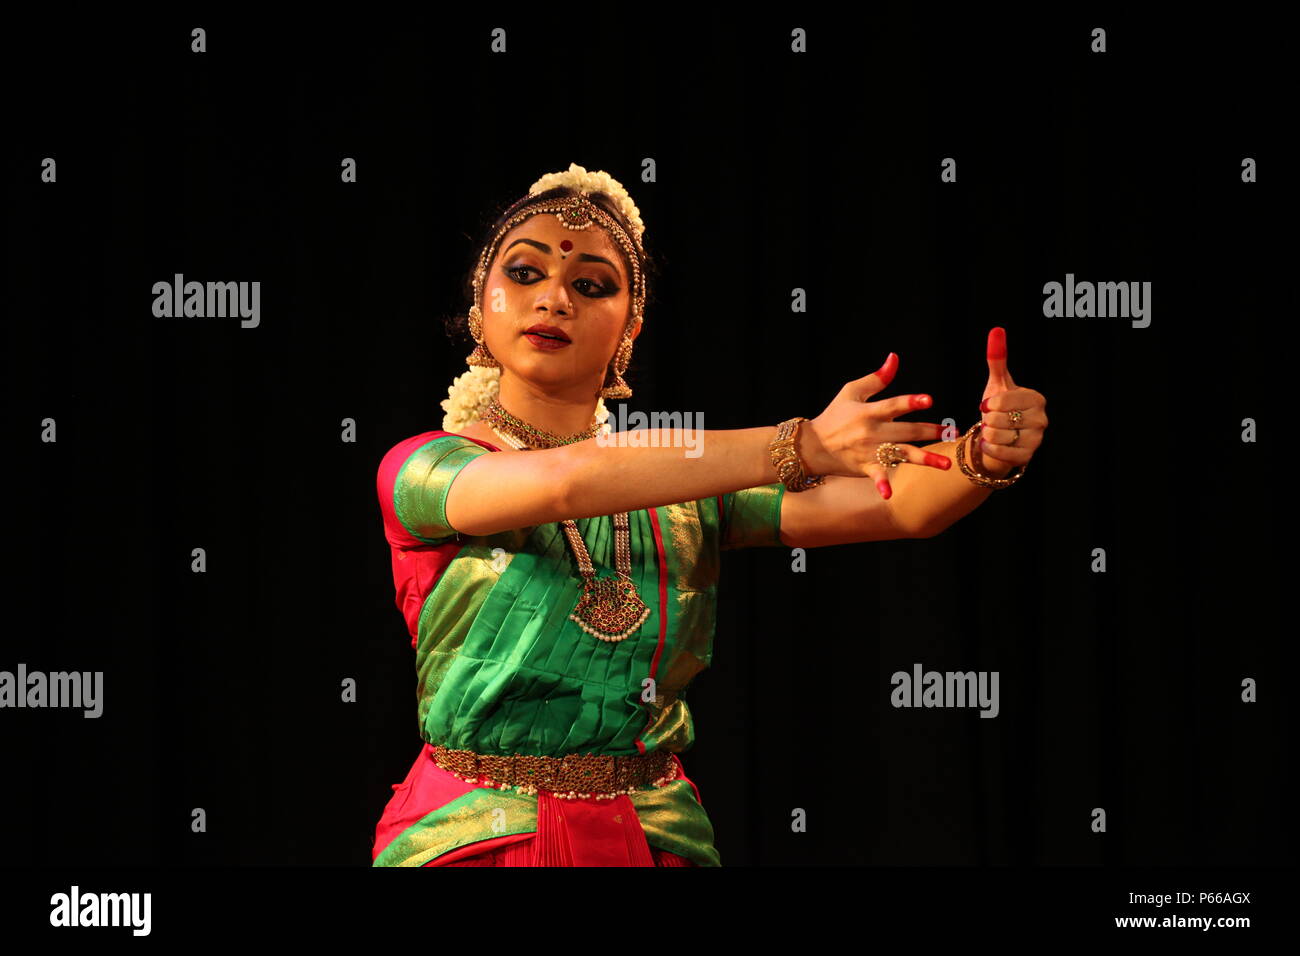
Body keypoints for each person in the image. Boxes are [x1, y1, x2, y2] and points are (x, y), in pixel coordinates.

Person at [370, 163, 1049, 867]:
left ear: (629, 328)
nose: (554, 299)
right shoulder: (424, 470)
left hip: (654, 835)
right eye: (525, 273)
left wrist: (986, 455)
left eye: (591, 285)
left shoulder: (683, 484)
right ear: (481, 307)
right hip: (475, 836)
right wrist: (800, 443)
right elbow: (564, 484)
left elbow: (901, 507)